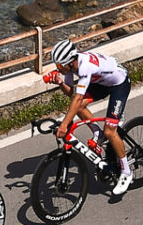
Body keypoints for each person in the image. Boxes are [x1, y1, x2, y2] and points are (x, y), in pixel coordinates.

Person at [44, 37, 133, 194]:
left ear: (68, 62)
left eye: (58, 65)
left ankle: (126, 172)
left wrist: (64, 124)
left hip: (119, 84)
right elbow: (72, 95)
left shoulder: (85, 66)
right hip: (101, 83)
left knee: (110, 131)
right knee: (77, 107)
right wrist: (60, 83)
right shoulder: (71, 67)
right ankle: (96, 131)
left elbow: (78, 98)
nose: (57, 68)